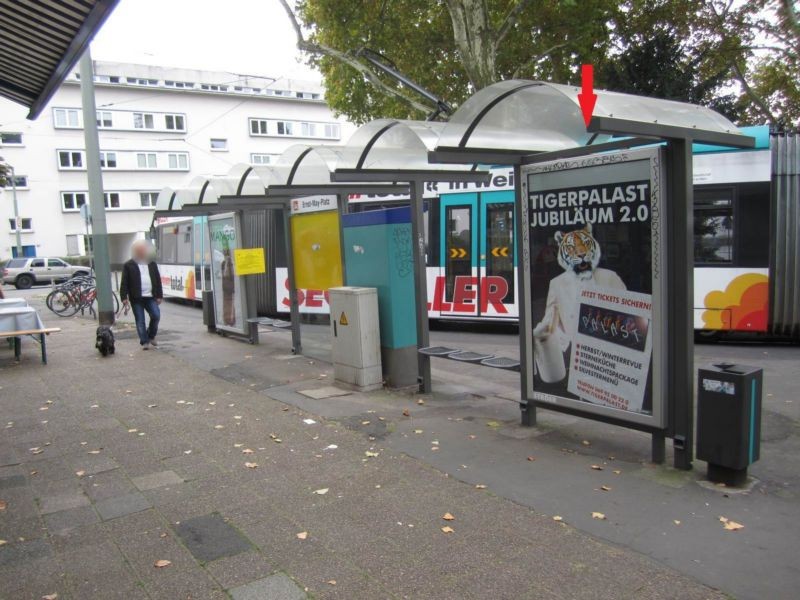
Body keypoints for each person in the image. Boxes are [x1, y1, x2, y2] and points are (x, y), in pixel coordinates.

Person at [120, 240, 163, 350]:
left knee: (156, 315)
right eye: (139, 251)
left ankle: (151, 335)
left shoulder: (151, 263)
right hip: (136, 297)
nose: (142, 253)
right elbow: (124, 282)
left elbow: (157, 280)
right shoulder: (129, 265)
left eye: (143, 250)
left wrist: (159, 295)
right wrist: (124, 297)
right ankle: (144, 341)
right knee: (140, 320)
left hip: (150, 297)